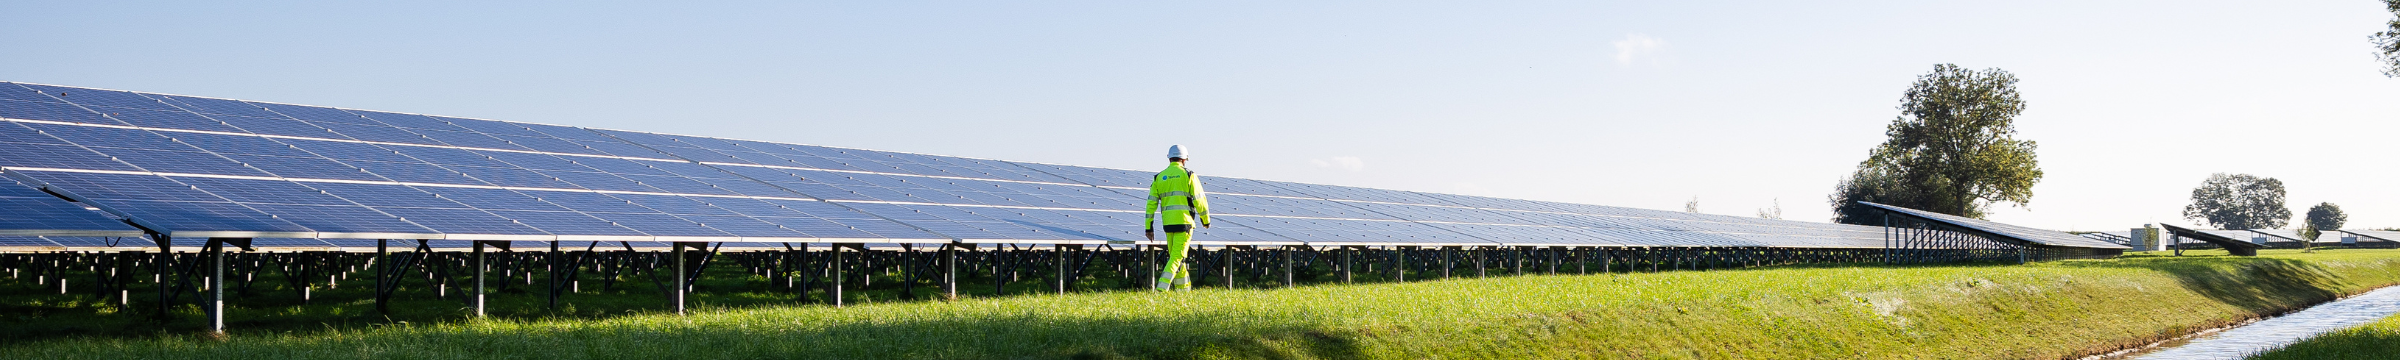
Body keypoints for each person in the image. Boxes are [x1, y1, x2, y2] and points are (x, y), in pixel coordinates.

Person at [1144, 144, 1212, 291]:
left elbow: (1150, 204)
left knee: (1178, 258)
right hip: (1184, 223)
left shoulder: (1159, 178)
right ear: (1185, 159)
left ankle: (1184, 291)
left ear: (1169, 158)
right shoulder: (1188, 175)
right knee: (1176, 258)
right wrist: (1205, 220)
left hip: (1168, 224)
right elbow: (1200, 199)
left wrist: (1148, 227)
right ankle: (1161, 289)